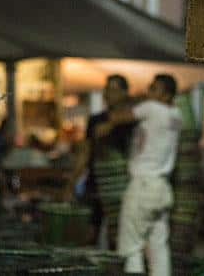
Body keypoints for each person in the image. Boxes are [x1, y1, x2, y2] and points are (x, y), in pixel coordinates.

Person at [101, 74, 181, 275]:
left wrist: (130, 100)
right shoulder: (176, 115)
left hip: (143, 186)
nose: (148, 92)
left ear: (166, 95)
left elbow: (116, 117)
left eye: (153, 89)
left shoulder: (151, 108)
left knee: (131, 248)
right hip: (162, 188)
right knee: (159, 249)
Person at [66, 74, 133, 248]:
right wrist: (71, 183)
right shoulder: (96, 120)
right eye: (106, 90)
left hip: (121, 188)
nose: (108, 94)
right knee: (89, 233)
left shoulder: (132, 121)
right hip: (95, 184)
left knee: (117, 237)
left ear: (125, 93)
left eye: (113, 90)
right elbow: (85, 152)